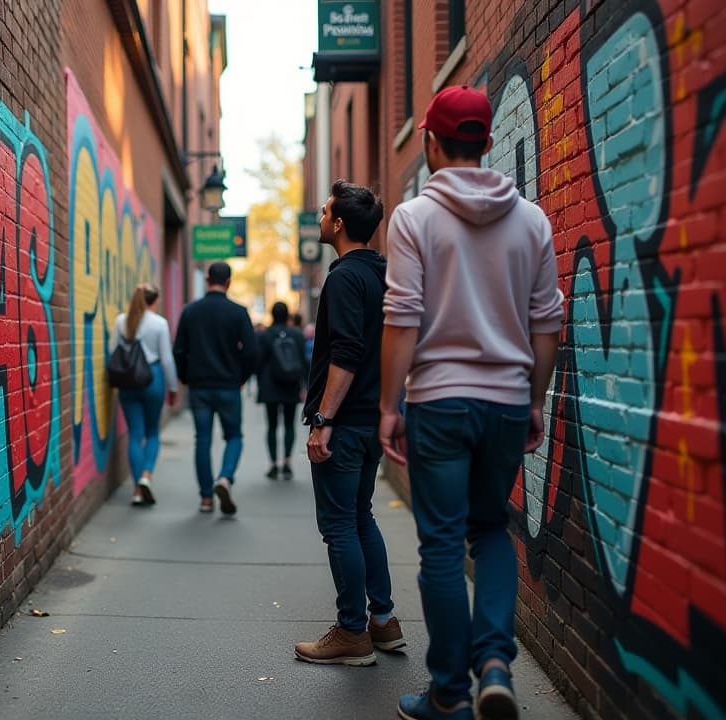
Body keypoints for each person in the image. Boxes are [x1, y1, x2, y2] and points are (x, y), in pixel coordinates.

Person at [379, 86, 563, 720]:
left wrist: (388, 405)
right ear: (487, 143)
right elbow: (548, 324)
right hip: (508, 403)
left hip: (439, 403)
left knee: (440, 543)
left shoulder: (413, 219)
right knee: (491, 531)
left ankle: (450, 693)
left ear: (431, 143)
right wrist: (534, 400)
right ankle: (494, 665)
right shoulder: (532, 220)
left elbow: (402, 319)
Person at [294, 180, 404, 666]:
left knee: (339, 524)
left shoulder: (342, 278)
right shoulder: (386, 273)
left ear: (338, 224)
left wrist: (323, 419)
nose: (319, 218)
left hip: (344, 420)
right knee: (361, 516)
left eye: (323, 212)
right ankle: (383, 621)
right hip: (372, 417)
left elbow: (346, 353)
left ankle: (352, 632)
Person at [173, 262, 258, 514]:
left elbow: (178, 350)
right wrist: (242, 377)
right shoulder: (238, 312)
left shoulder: (190, 312)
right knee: (234, 437)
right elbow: (252, 352)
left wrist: (185, 378)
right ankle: (225, 477)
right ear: (229, 282)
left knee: (203, 440)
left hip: (199, 387)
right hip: (229, 386)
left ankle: (206, 498)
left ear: (208, 279)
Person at [110, 283, 179, 506]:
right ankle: (146, 476)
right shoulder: (159, 323)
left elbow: (113, 353)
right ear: (155, 301)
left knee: (135, 434)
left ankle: (138, 490)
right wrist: (173, 387)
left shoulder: (121, 321)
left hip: (128, 383)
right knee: (152, 432)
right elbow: (167, 359)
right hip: (153, 379)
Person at [256, 301, 306, 479]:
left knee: (271, 425)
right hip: (291, 385)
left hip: (270, 386)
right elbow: (303, 361)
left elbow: (258, 361)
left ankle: (273, 464)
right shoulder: (297, 335)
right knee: (289, 424)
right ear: (287, 316)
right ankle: (286, 462)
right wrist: (305, 386)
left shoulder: (265, 335)